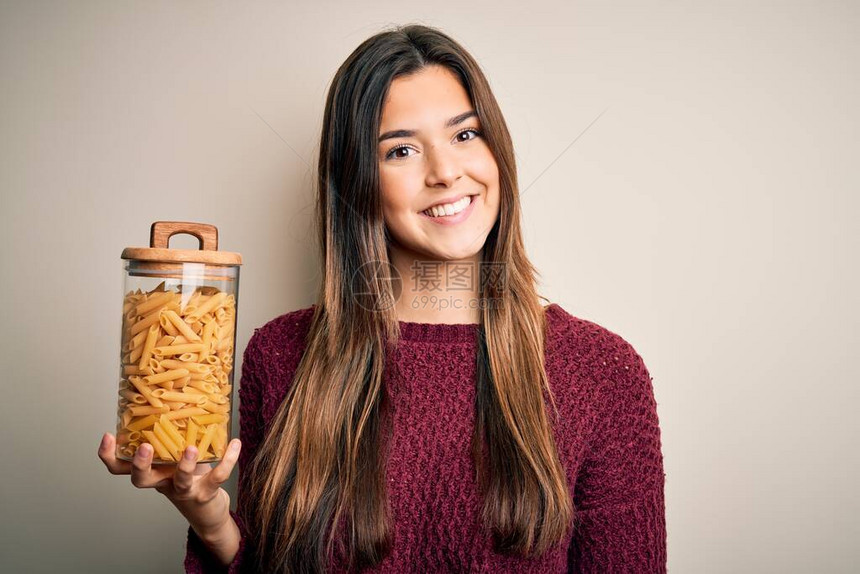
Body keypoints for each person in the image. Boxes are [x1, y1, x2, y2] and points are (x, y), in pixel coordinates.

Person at [98, 23, 667, 573]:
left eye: (465, 134)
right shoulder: (280, 355)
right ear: (356, 182)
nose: (446, 172)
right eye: (400, 151)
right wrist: (212, 520)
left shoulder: (603, 372)